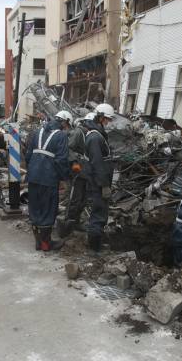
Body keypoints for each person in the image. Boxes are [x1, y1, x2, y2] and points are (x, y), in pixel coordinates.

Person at [25, 110, 73, 251]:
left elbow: (28, 155)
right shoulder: (61, 136)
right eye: (67, 125)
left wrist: (33, 169)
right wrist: (65, 177)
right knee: (48, 209)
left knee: (35, 208)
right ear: (64, 122)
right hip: (48, 178)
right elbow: (61, 160)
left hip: (33, 177)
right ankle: (46, 244)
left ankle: (38, 243)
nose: (66, 127)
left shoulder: (37, 131)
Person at [83, 104, 115, 252]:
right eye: (107, 120)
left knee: (100, 212)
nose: (108, 123)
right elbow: (97, 163)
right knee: (98, 213)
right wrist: (104, 185)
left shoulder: (96, 135)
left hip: (97, 181)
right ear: (101, 118)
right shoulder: (95, 137)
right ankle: (95, 248)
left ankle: (95, 242)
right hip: (98, 183)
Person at [62, 113, 96, 237]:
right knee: (75, 198)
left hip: (86, 172)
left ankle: (76, 221)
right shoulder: (78, 133)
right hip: (78, 171)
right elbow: (68, 148)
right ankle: (67, 224)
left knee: (84, 199)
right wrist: (75, 162)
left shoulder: (91, 134)